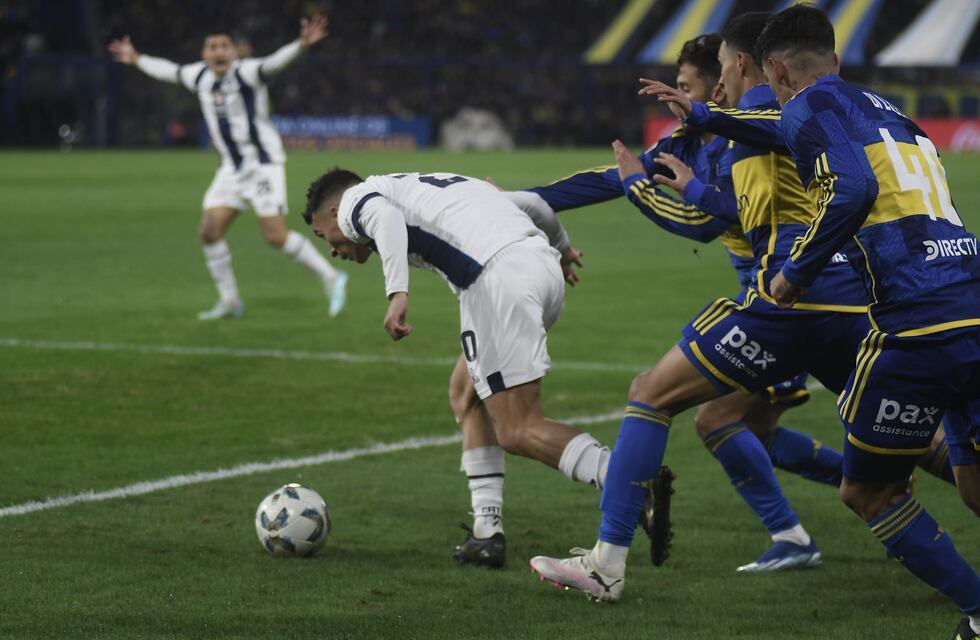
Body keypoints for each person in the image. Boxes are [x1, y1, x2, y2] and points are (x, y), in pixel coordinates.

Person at [646, 5, 980, 636]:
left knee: (870, 493)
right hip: (971, 293)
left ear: (773, 70)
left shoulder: (803, 105)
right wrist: (709, 116)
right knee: (971, 487)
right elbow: (793, 136)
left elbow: (848, 190)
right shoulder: (890, 112)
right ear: (836, 59)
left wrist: (796, 271)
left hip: (917, 320)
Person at [527, 12, 878, 601]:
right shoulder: (773, 122)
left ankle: (610, 564)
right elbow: (733, 209)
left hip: (788, 299)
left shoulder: (766, 117)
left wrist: (653, 180)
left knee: (663, 398)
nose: (707, 88)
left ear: (742, 65)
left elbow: (715, 218)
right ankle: (845, 505)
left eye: (707, 76)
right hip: (840, 297)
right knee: (893, 439)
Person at [302, 168, 614, 568]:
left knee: (517, 428)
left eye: (321, 235)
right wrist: (564, 249)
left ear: (333, 209)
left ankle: (624, 479)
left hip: (497, 282)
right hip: (541, 269)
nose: (331, 248)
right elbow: (535, 204)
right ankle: (487, 532)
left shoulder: (355, 202)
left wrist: (397, 293)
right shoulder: (433, 185)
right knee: (465, 393)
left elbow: (386, 220)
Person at [107, 16, 348, 320]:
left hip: (262, 166)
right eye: (212, 47)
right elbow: (168, 70)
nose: (218, 52)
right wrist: (136, 59)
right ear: (204, 53)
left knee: (275, 236)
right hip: (231, 171)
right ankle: (230, 300)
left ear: (234, 52)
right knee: (209, 231)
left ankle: (331, 277)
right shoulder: (198, 77)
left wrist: (301, 45)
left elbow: (274, 63)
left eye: (224, 46)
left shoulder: (247, 73)